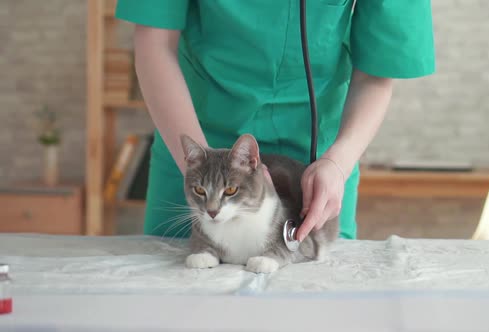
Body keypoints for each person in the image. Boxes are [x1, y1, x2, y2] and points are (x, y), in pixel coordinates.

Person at [115, 1, 435, 241]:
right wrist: (201, 168)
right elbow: (154, 44)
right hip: (198, 157)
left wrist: (338, 163)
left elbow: (376, 75)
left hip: (316, 165)